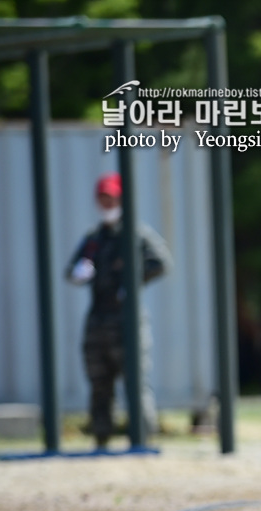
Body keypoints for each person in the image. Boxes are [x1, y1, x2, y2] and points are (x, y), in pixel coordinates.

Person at [64, 172, 172, 450]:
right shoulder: (94, 237)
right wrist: (80, 273)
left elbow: (161, 262)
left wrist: (133, 281)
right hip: (98, 321)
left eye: (110, 197)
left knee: (135, 383)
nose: (106, 203)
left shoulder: (135, 233)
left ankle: (143, 440)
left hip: (127, 321)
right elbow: (71, 271)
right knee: (99, 384)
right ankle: (101, 440)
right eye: (102, 198)